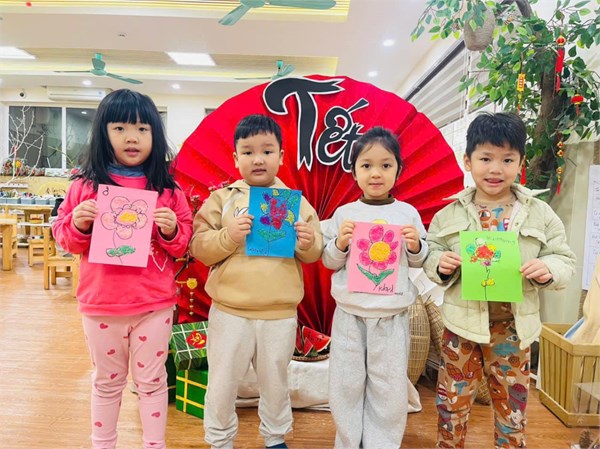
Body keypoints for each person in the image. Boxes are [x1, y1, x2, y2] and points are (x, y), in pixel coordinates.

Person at [423, 112, 576, 449]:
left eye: (507, 159)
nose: (495, 169)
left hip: (514, 330)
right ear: (468, 161)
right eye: (485, 158)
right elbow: (431, 253)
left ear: (520, 162)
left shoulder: (539, 213)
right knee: (451, 407)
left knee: (512, 411)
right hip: (462, 328)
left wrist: (548, 268)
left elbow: (564, 258)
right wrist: (440, 264)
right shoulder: (448, 215)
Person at [52, 89, 193, 449]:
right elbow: (65, 239)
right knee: (106, 382)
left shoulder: (168, 190)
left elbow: (183, 245)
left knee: (152, 383)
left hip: (154, 305)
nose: (132, 137)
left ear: (155, 135)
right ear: (103, 133)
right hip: (102, 304)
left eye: (143, 129)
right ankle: (103, 443)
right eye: (120, 128)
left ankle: (155, 444)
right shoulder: (84, 187)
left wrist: (171, 230)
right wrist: (79, 223)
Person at [189, 114, 323, 449]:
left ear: (281, 156)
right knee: (222, 381)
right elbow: (199, 247)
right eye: (248, 152)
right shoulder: (222, 199)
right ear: (235, 158)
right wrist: (228, 235)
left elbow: (314, 252)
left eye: (267, 151)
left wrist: (308, 242)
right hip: (230, 311)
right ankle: (220, 440)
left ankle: (275, 437)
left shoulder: (295, 203)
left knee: (276, 382)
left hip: (279, 314)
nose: (258, 159)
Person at [321, 126, 429, 449]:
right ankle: (348, 441)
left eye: (386, 165)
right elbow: (329, 261)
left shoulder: (407, 213)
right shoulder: (345, 214)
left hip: (391, 315)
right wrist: (339, 244)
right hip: (349, 314)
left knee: (389, 387)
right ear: (354, 171)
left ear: (398, 169)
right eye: (366, 165)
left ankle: (382, 443)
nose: (376, 173)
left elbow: (421, 260)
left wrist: (415, 246)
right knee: (345, 384)